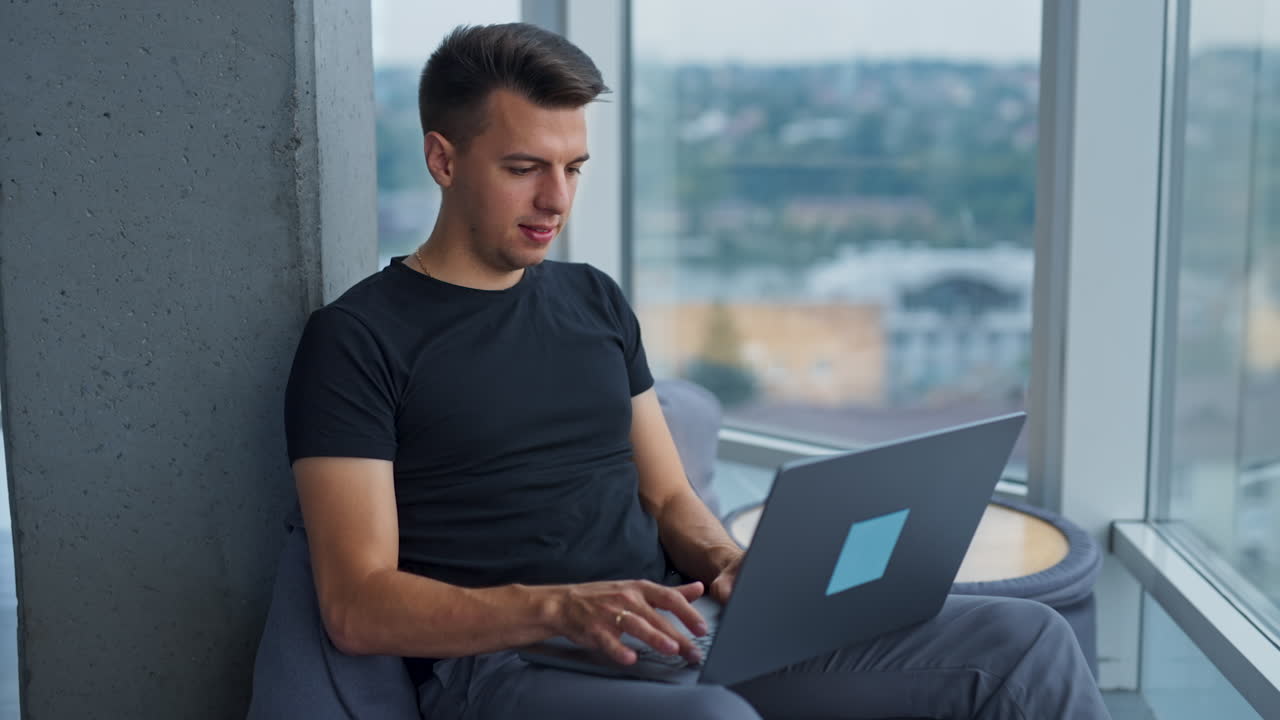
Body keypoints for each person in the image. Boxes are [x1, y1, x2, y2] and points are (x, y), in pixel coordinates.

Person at [281, 22, 1110, 719]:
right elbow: (356, 604)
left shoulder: (592, 300)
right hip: (512, 665)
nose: (557, 200)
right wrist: (561, 605)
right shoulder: (358, 338)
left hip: (682, 623)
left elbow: (669, 496)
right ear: (443, 159)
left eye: (574, 168)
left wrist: (726, 563)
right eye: (524, 167)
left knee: (1025, 642)